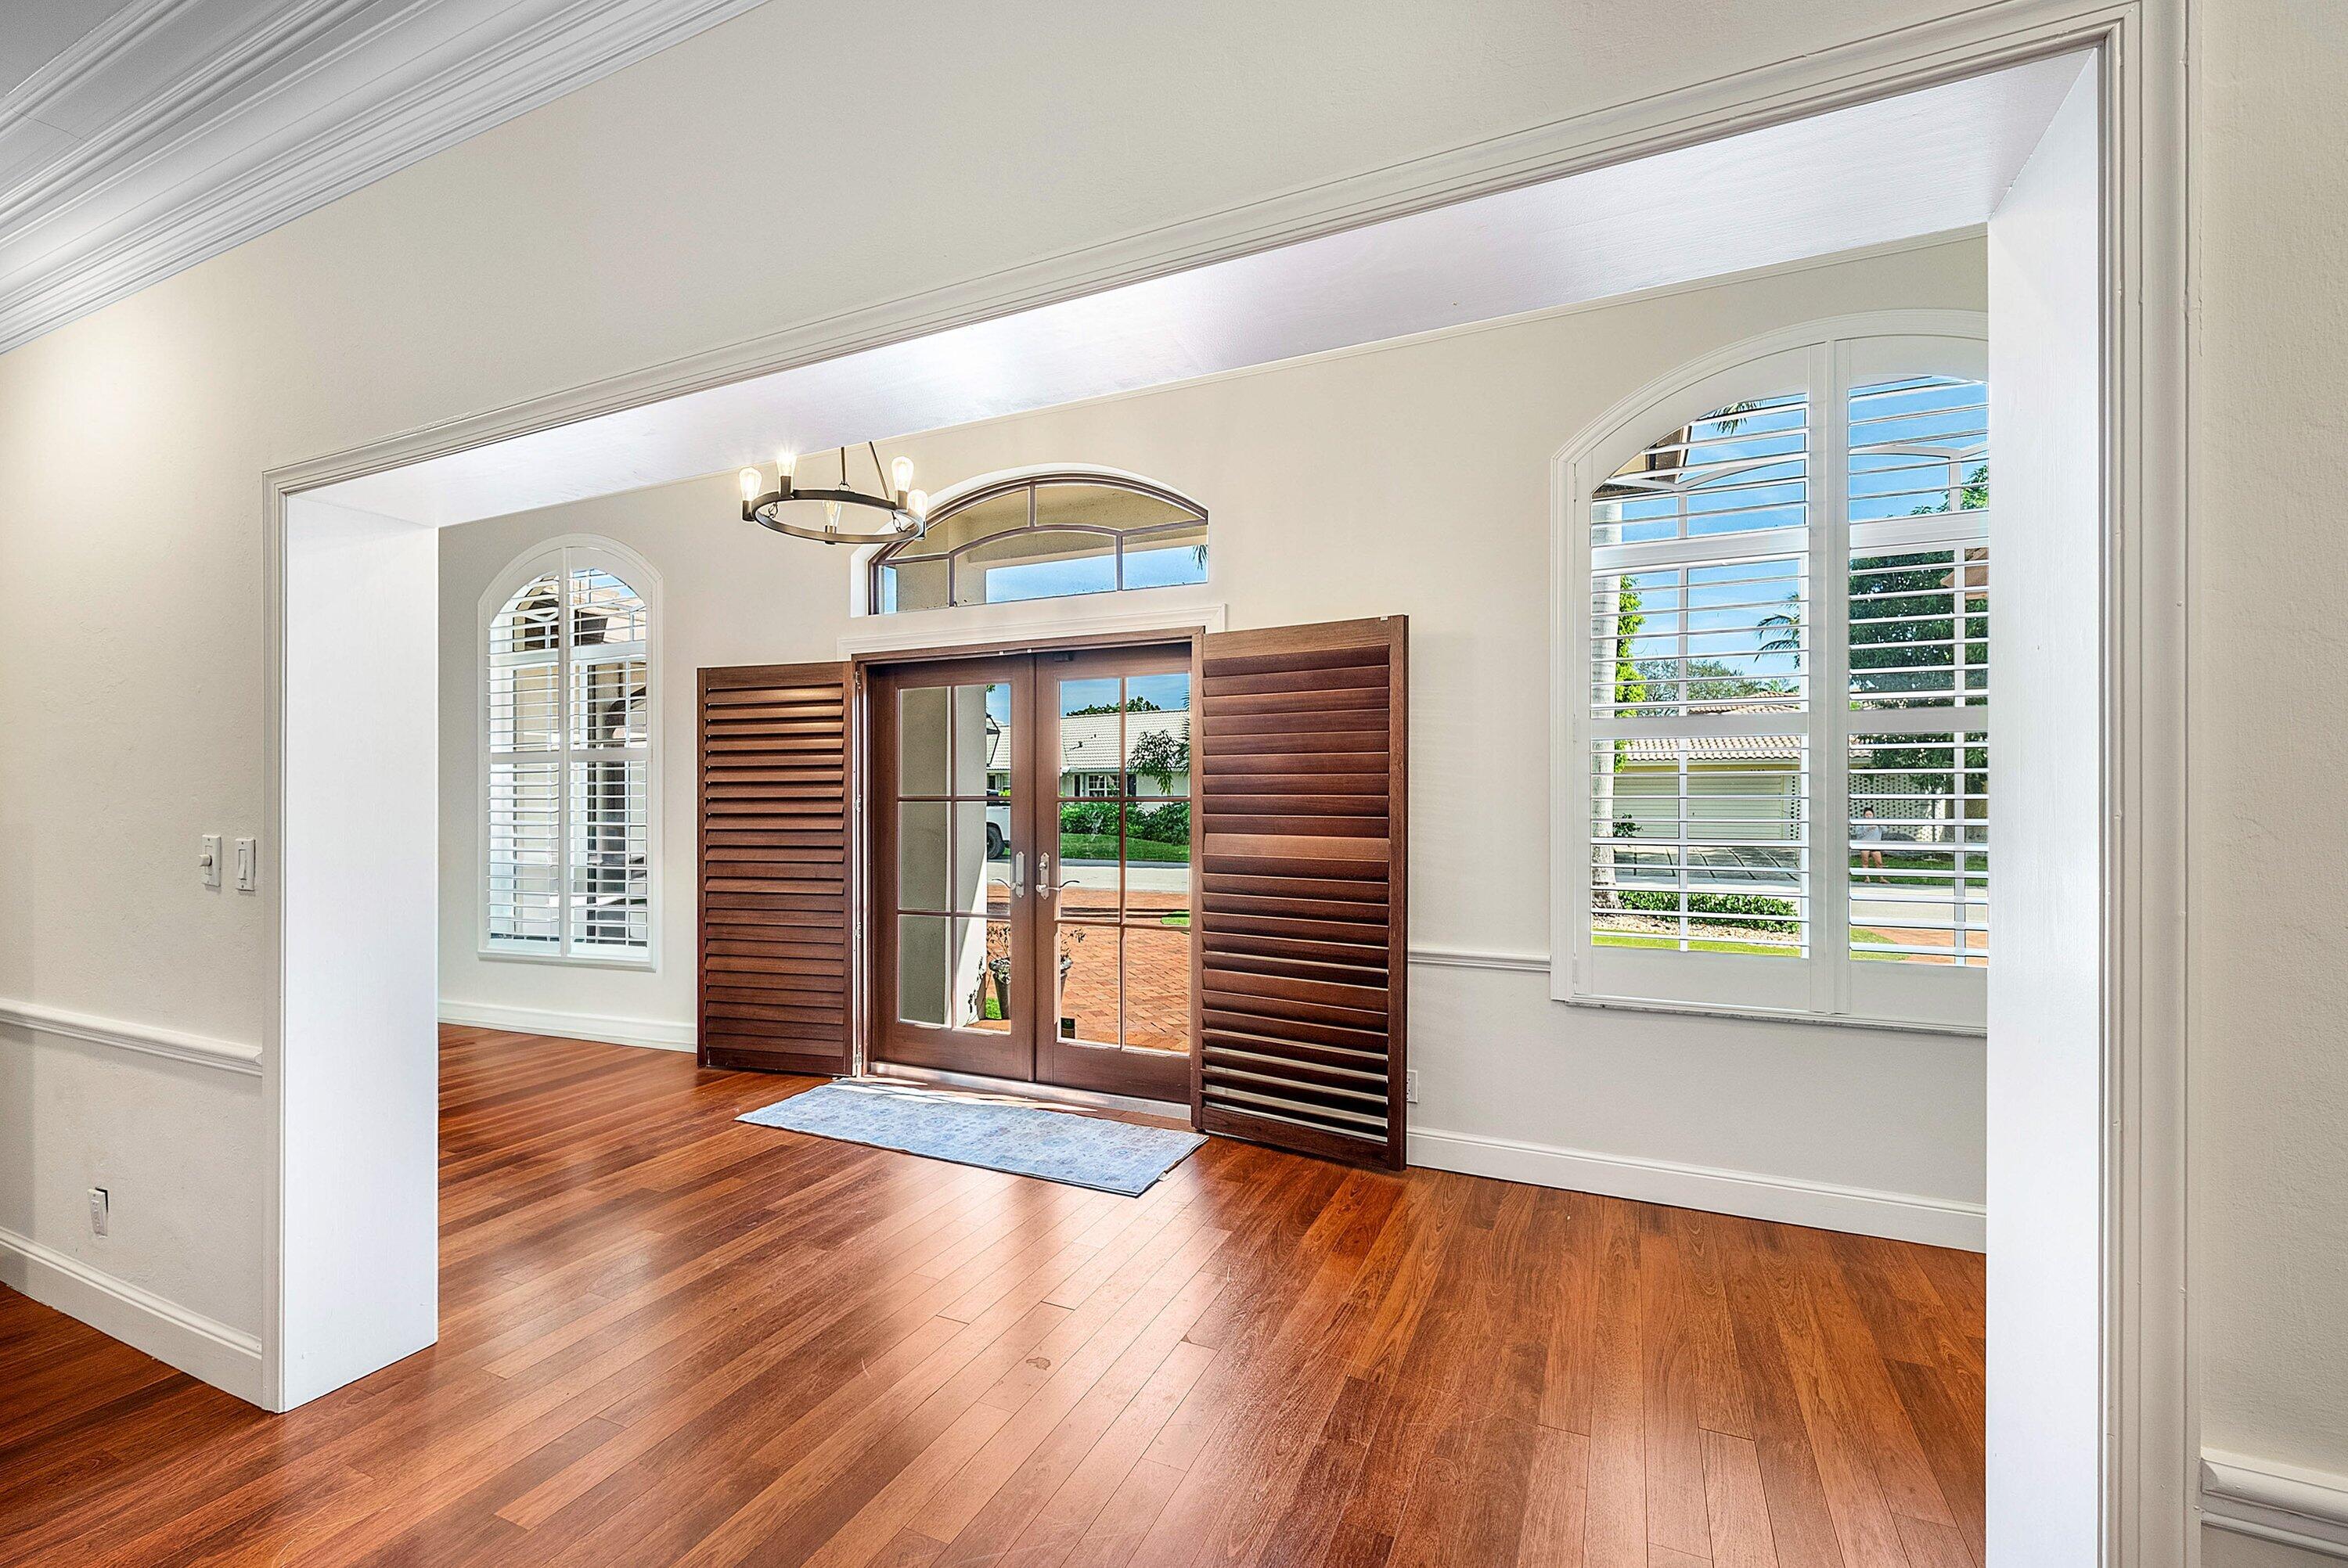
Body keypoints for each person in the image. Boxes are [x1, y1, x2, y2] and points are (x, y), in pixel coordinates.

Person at [1854, 804, 1885, 876]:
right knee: (1865, 862)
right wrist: (1867, 829)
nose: (1868, 816)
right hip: (1864, 845)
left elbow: (1885, 830)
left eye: (1870, 814)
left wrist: (1880, 824)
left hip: (1875, 845)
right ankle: (1867, 877)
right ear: (1864, 815)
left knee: (1879, 862)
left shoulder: (1877, 822)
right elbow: (1858, 834)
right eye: (1867, 815)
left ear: (1873, 815)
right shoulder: (1860, 824)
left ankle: (1882, 877)